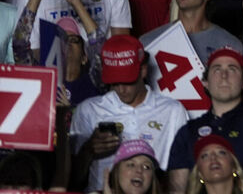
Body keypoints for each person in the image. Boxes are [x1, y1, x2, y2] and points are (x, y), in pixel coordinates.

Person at [166, 0, 243, 189]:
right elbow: (177, 190)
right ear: (204, 83)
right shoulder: (188, 133)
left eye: (232, 69)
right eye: (216, 69)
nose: (224, 75)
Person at [70, 35, 188, 193]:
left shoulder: (172, 111)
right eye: (115, 82)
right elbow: (70, 181)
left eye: (127, 81)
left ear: (143, 70)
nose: (121, 89)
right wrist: (88, 150)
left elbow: (181, 177)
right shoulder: (88, 110)